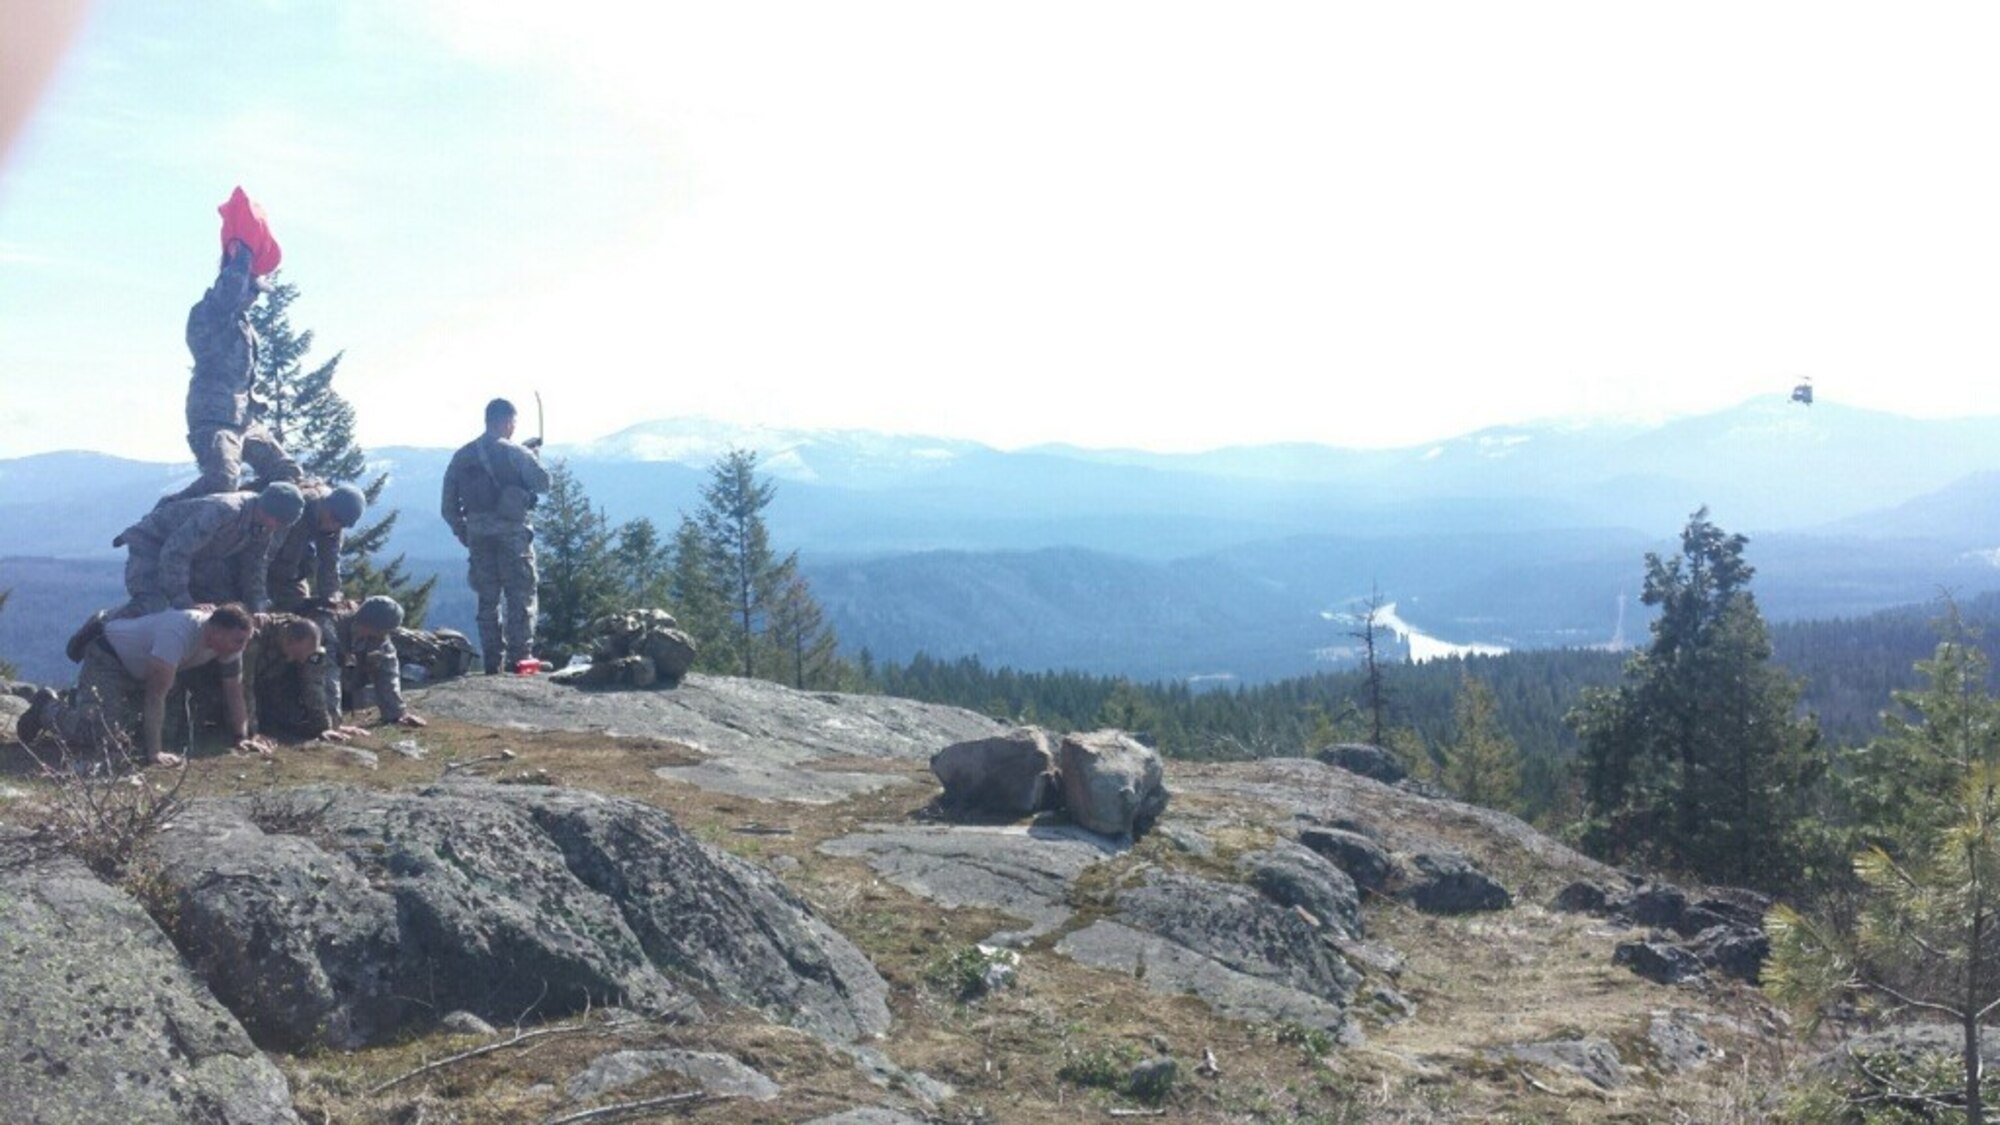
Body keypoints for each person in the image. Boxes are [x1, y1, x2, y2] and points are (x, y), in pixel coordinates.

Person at [19, 604, 263, 767]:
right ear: (218, 631)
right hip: (109, 658)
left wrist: (241, 736)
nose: (241, 648)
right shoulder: (178, 633)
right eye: (238, 641)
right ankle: (47, 707)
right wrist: (154, 754)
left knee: (156, 736)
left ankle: (83, 702)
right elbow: (155, 696)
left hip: (141, 669)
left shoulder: (229, 645)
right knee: (97, 734)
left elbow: (234, 691)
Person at [158, 237, 301, 503]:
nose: (255, 298)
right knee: (222, 480)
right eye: (253, 290)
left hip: (244, 420)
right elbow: (229, 291)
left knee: (287, 474)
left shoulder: (243, 324)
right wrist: (244, 251)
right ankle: (166, 516)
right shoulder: (211, 313)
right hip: (214, 417)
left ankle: (249, 516)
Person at [440, 398, 551, 673]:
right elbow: (543, 483)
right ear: (506, 421)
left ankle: (492, 662)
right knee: (521, 595)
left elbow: (448, 507)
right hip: (513, 534)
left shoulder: (462, 455)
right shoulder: (516, 453)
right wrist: (532, 455)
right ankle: (521, 660)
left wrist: (464, 532)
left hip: (478, 535)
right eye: (513, 423)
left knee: (487, 600)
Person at [112, 481, 304, 617]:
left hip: (196, 557)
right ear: (269, 511)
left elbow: (255, 566)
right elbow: (176, 552)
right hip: (152, 545)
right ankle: (104, 625)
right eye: (280, 522)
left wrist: (258, 607)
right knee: (153, 607)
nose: (279, 528)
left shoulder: (264, 524)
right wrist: (185, 602)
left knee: (225, 609)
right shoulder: (224, 511)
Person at [317, 596, 427, 729]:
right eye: (381, 631)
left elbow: (388, 671)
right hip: (310, 685)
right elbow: (328, 675)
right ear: (366, 623)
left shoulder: (378, 636)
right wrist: (333, 724)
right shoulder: (329, 628)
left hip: (346, 686)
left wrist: (397, 714)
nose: (383, 636)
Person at [267, 480, 366, 612]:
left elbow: (329, 563)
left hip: (288, 575)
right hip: (257, 564)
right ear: (325, 503)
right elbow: (262, 553)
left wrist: (331, 597)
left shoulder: (334, 528)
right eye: (334, 517)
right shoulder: (297, 508)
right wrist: (258, 598)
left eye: (341, 524)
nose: (333, 524)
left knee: (301, 612)